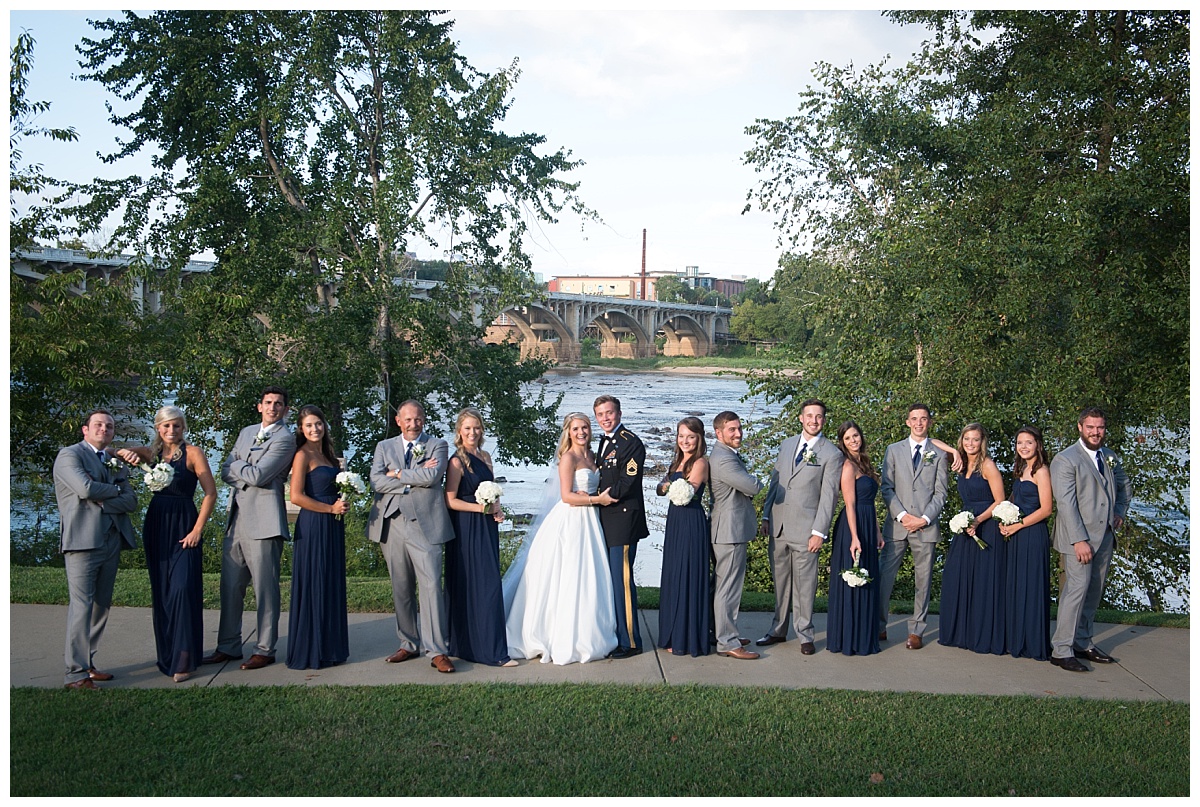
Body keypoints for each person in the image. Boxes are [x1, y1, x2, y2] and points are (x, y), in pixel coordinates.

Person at [502, 412, 618, 664]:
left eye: (585, 427)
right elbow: (566, 496)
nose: (581, 432)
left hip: (590, 522)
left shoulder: (593, 456)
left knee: (589, 575)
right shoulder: (568, 458)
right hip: (571, 520)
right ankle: (557, 635)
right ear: (568, 431)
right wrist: (598, 499)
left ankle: (590, 632)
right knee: (567, 576)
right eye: (576, 428)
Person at [116, 406, 216, 682]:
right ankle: (169, 655)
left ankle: (185, 659)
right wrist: (125, 453)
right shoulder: (152, 453)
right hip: (158, 524)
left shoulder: (193, 453)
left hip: (185, 524)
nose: (172, 431)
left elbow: (211, 493)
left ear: (183, 428)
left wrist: (198, 530)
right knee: (163, 591)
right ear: (158, 428)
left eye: (177, 426)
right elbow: (115, 452)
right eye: (166, 426)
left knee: (183, 588)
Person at [204, 386, 295, 671]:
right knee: (230, 586)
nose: (273, 408)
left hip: (266, 521)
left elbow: (258, 475)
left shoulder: (286, 438)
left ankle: (265, 648)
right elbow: (223, 468)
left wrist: (239, 467)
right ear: (259, 406)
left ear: (286, 410)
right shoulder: (246, 431)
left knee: (265, 589)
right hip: (237, 520)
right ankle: (228, 645)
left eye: (278, 404)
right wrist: (242, 469)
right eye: (268, 402)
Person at [367, 399, 457, 673]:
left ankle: (437, 649)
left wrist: (395, 474)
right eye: (407, 419)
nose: (413, 424)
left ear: (424, 419)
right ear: (398, 421)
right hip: (391, 522)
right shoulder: (384, 447)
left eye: (417, 419)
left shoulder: (437, 445)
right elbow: (375, 480)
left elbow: (432, 476)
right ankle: (407, 643)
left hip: (425, 523)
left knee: (430, 586)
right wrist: (409, 479)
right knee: (401, 585)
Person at [53, 409, 139, 689]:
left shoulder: (114, 460)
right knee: (81, 606)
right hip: (82, 541)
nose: (104, 429)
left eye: (110, 426)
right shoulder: (70, 455)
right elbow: (85, 488)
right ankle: (75, 674)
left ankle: (88, 663)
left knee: (101, 606)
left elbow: (132, 500)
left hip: (111, 540)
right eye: (98, 425)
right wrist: (113, 492)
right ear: (85, 429)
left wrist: (108, 498)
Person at [1048, 407, 1132, 672]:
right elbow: (1066, 503)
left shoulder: (1109, 456)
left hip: (1104, 537)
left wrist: (1119, 512)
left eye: (1101, 427)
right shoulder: (1065, 459)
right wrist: (1079, 540)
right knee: (1075, 592)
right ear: (1080, 427)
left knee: (1093, 593)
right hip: (1079, 541)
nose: (1096, 432)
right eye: (1091, 427)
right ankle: (1061, 650)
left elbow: (1124, 485)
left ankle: (1083, 643)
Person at [758, 398, 844, 654]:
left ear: (824, 421)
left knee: (805, 585)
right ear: (800, 418)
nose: (813, 420)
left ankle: (805, 634)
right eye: (809, 415)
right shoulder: (786, 445)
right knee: (780, 582)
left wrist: (819, 532)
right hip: (779, 525)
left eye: (818, 416)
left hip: (807, 530)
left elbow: (829, 496)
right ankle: (778, 629)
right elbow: (776, 481)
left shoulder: (831, 454)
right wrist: (765, 515)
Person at [443, 408, 516, 667]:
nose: (473, 432)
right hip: (465, 529)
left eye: (476, 428)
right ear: (459, 432)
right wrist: (480, 509)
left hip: (486, 527)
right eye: (467, 428)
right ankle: (484, 650)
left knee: (489, 583)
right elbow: (450, 501)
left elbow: (492, 491)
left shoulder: (485, 457)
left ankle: (486, 644)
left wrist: (496, 510)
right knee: (474, 584)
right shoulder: (456, 461)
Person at [878, 403, 948, 650]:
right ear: (907, 422)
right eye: (914, 419)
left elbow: (941, 493)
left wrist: (924, 519)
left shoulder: (938, 454)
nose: (919, 423)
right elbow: (886, 487)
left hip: (925, 527)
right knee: (885, 577)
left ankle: (917, 630)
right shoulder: (893, 450)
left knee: (924, 580)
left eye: (924, 419)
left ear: (929, 422)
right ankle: (879, 625)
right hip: (898, 525)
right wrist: (903, 515)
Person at [285, 404, 350, 670]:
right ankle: (311, 650)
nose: (315, 429)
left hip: (333, 526)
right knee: (314, 581)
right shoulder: (302, 455)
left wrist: (344, 502)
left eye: (319, 424)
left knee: (330, 582)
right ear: (301, 429)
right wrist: (329, 508)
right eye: (309, 425)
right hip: (313, 524)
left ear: (325, 426)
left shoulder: (329, 455)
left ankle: (331, 648)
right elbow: (296, 496)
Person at [937, 423, 1006, 655]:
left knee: (982, 583)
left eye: (975, 440)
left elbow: (1000, 500)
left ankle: (981, 635)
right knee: (957, 577)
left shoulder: (988, 465)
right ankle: (961, 633)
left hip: (985, 527)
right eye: (966, 439)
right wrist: (955, 452)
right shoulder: (961, 463)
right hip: (966, 526)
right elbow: (929, 442)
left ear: (982, 442)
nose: (970, 444)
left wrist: (978, 520)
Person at [592, 395, 648, 659]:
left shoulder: (631, 443)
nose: (605, 418)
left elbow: (629, 481)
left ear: (619, 413)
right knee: (610, 581)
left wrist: (603, 498)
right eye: (601, 414)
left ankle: (631, 642)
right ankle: (616, 635)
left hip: (623, 520)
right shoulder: (602, 443)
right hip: (605, 519)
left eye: (610, 413)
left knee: (622, 582)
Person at [708, 411, 764, 660]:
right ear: (718, 433)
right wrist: (756, 481)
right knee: (727, 589)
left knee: (724, 586)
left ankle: (724, 632)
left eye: (739, 428)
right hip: (728, 531)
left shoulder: (725, 455)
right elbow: (752, 486)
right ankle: (727, 642)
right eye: (732, 429)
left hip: (729, 529)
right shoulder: (723, 459)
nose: (738, 433)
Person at [654, 417, 712, 657]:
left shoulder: (700, 462)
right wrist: (665, 486)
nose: (685, 440)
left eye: (690, 436)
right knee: (674, 574)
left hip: (691, 522)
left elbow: (688, 492)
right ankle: (671, 631)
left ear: (699, 438)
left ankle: (686, 637)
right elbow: (661, 487)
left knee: (687, 575)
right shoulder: (678, 460)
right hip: (675, 522)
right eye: (681, 436)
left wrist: (668, 486)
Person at [826, 421, 884, 656]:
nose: (854, 440)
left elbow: (870, 502)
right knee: (853, 579)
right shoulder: (848, 466)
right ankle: (850, 637)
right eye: (848, 438)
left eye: (856, 436)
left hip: (868, 523)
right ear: (842, 441)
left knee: (867, 578)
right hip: (854, 526)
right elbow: (849, 503)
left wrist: (877, 531)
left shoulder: (865, 462)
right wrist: (854, 537)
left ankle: (865, 634)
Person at [999, 426, 1053, 661]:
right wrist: (1004, 519)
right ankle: (1016, 639)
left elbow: (1047, 509)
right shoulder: (1021, 469)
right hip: (1016, 536)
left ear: (1038, 445)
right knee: (1017, 585)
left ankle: (1032, 642)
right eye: (1020, 443)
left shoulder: (1041, 471)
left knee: (1030, 586)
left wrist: (1018, 525)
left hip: (1032, 535)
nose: (1023, 447)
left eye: (1028, 442)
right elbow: (1014, 501)